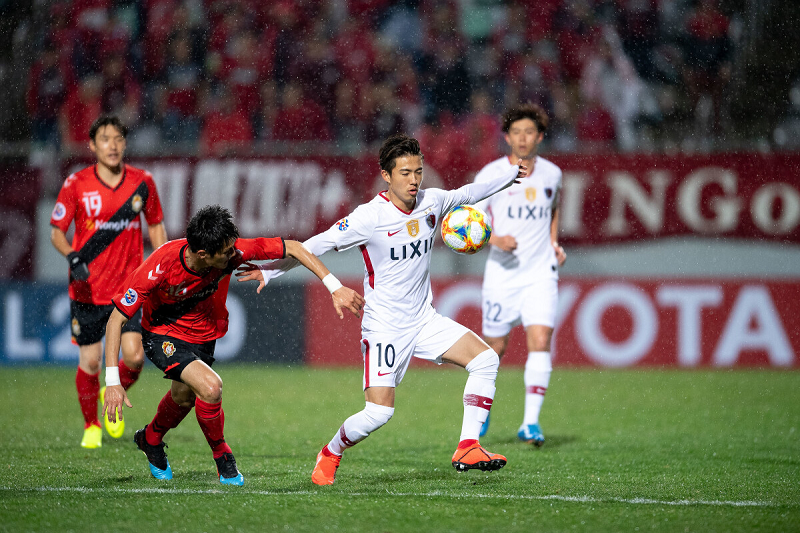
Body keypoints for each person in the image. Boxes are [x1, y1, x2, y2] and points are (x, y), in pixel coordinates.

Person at [239, 134, 527, 485]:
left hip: (424, 320)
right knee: (378, 413)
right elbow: (316, 245)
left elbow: (470, 192)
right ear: (386, 176)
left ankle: (468, 445)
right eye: (405, 172)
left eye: (418, 171)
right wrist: (270, 270)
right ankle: (331, 452)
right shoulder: (368, 218)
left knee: (486, 360)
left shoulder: (432, 202)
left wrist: (510, 177)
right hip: (385, 328)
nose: (414, 180)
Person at [102, 205, 364, 486]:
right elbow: (115, 320)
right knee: (211, 388)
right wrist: (112, 381)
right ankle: (223, 459)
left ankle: (150, 438)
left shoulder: (232, 250)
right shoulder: (160, 266)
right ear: (203, 254)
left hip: (204, 336)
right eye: (225, 253)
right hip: (162, 335)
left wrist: (334, 286)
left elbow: (296, 248)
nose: (233, 255)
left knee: (184, 397)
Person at [50, 115, 168, 449]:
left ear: (125, 144)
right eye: (105, 139)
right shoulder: (76, 184)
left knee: (134, 358)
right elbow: (56, 232)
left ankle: (111, 391)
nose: (112, 145)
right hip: (87, 288)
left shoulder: (142, 182)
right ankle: (91, 425)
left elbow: (156, 224)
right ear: (92, 145)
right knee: (89, 360)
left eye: (118, 138)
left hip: (128, 289)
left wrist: (162, 262)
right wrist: (73, 256)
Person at [472, 103, 566, 447]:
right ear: (507, 137)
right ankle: (483, 407)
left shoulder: (552, 174)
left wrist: (554, 242)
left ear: (539, 136)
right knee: (493, 349)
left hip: (541, 274)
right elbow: (468, 225)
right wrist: (494, 238)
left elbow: (554, 208)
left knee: (540, 341)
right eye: (516, 132)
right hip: (502, 275)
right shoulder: (490, 175)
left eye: (529, 132)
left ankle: (530, 423)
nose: (523, 138)